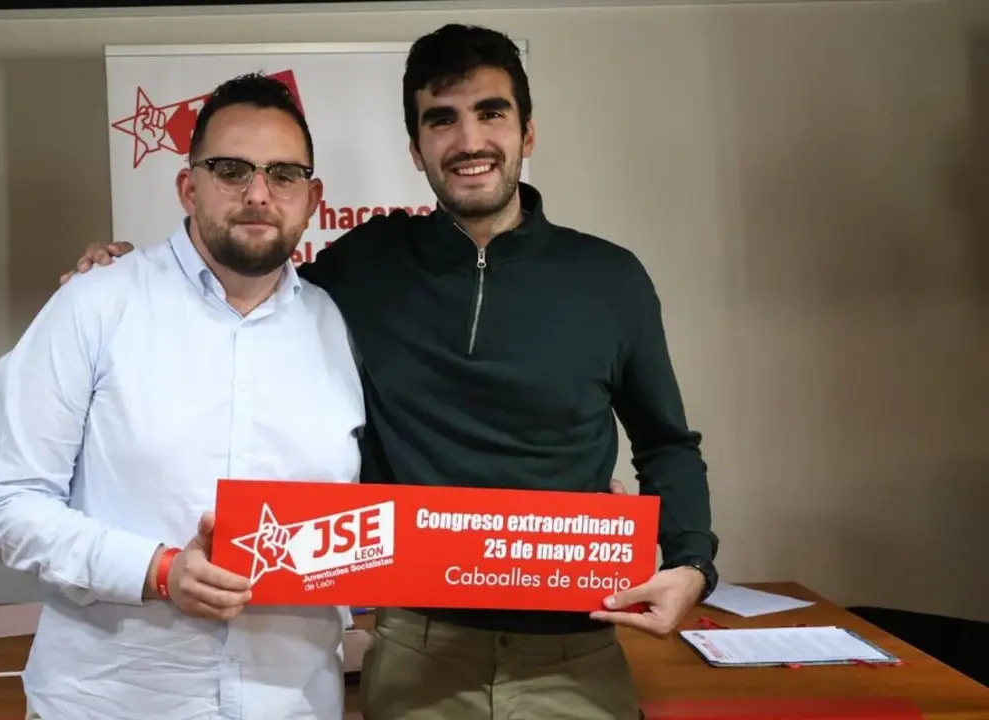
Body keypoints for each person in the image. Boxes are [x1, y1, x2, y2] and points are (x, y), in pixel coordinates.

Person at [63, 23, 718, 720]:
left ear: (527, 134)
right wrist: (135, 271)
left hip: (577, 648)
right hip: (416, 649)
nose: (468, 141)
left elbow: (666, 442)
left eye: (490, 112)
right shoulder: (366, 264)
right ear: (417, 149)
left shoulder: (610, 280)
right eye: (442, 120)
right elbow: (243, 290)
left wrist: (692, 565)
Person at [0, 73, 367, 720]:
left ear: (313, 197)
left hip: (293, 702)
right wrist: (156, 572)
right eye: (231, 170)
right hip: (112, 702)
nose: (258, 194)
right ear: (189, 185)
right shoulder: (95, 304)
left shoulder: (338, 326)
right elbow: (4, 504)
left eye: (284, 174)